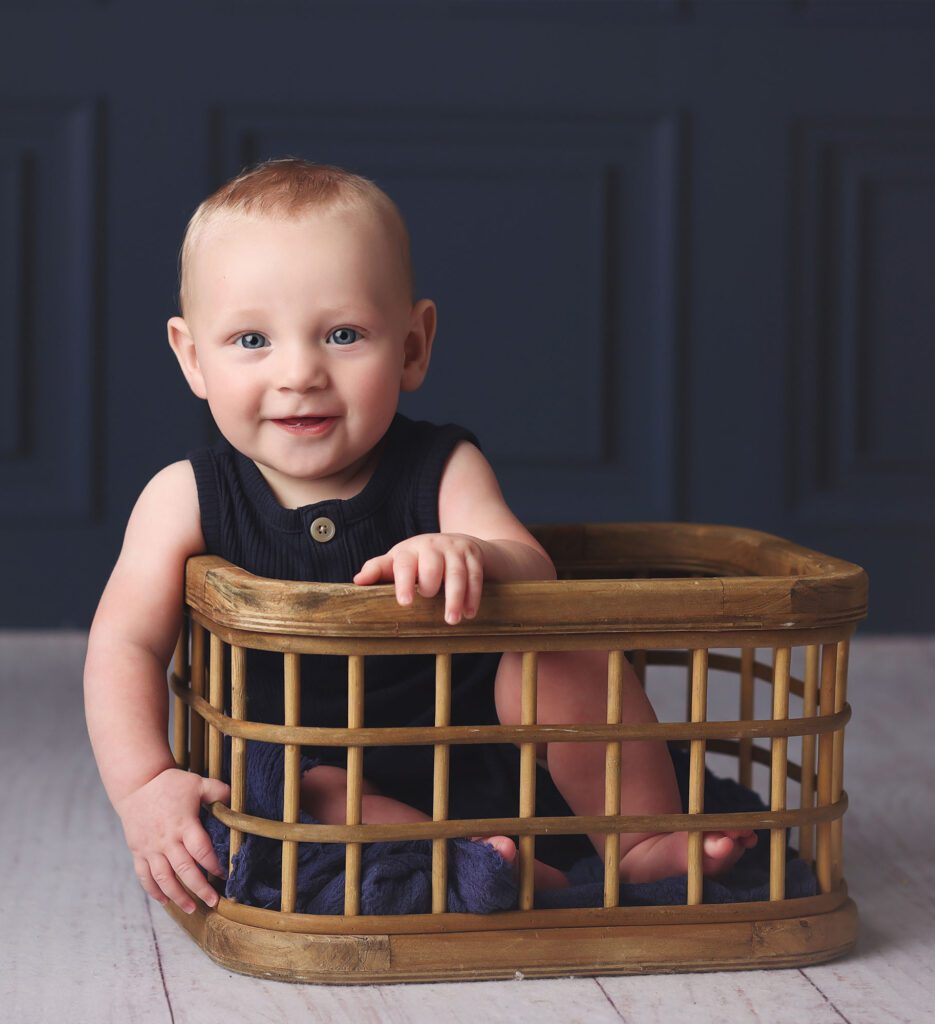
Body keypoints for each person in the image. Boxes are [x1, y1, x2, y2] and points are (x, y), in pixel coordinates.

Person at [83, 157, 756, 917]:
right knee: (307, 790)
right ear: (192, 357)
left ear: (412, 346)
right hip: (339, 786)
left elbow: (535, 574)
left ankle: (638, 841)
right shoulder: (184, 498)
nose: (299, 372)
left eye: (342, 334)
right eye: (250, 340)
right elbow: (125, 645)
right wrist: (145, 784)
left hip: (490, 754)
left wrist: (473, 551)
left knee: (561, 654)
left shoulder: (442, 468)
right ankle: (470, 864)